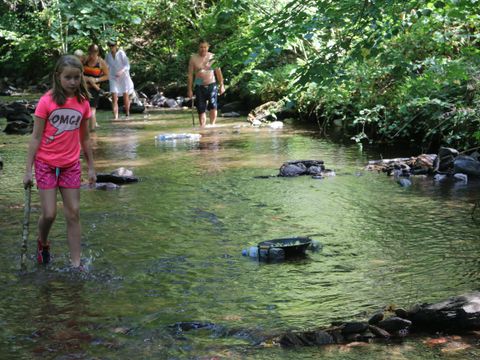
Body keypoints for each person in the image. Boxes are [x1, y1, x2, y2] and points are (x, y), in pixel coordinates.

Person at [23, 55, 96, 269]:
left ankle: (76, 263)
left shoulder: (83, 102)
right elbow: (36, 137)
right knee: (49, 213)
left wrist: (91, 167)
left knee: (73, 212)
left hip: (71, 164)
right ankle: (43, 243)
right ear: (58, 77)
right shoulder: (46, 101)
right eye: (68, 78)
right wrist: (28, 170)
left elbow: (85, 138)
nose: (73, 82)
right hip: (45, 163)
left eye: (76, 77)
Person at [187, 40, 225, 127]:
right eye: (201, 47)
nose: (203, 49)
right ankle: (203, 127)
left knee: (213, 104)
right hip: (199, 83)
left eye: (205, 47)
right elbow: (190, 75)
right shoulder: (193, 58)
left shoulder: (212, 57)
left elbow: (218, 72)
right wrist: (189, 90)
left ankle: (212, 125)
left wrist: (221, 85)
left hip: (211, 83)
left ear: (208, 47)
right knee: (201, 107)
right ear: (198, 47)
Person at [105, 40, 134, 120]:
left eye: (113, 46)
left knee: (125, 95)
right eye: (110, 46)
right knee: (114, 97)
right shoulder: (107, 56)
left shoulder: (121, 53)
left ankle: (127, 113)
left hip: (123, 77)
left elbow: (127, 65)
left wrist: (121, 71)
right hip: (113, 77)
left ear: (116, 46)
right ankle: (116, 117)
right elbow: (105, 66)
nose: (112, 47)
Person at [83, 44, 109, 130]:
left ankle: (92, 132)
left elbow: (107, 76)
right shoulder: (84, 60)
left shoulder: (101, 62)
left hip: (95, 89)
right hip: (83, 88)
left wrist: (96, 80)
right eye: (90, 53)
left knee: (92, 110)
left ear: (97, 53)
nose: (91, 56)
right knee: (83, 109)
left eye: (94, 54)